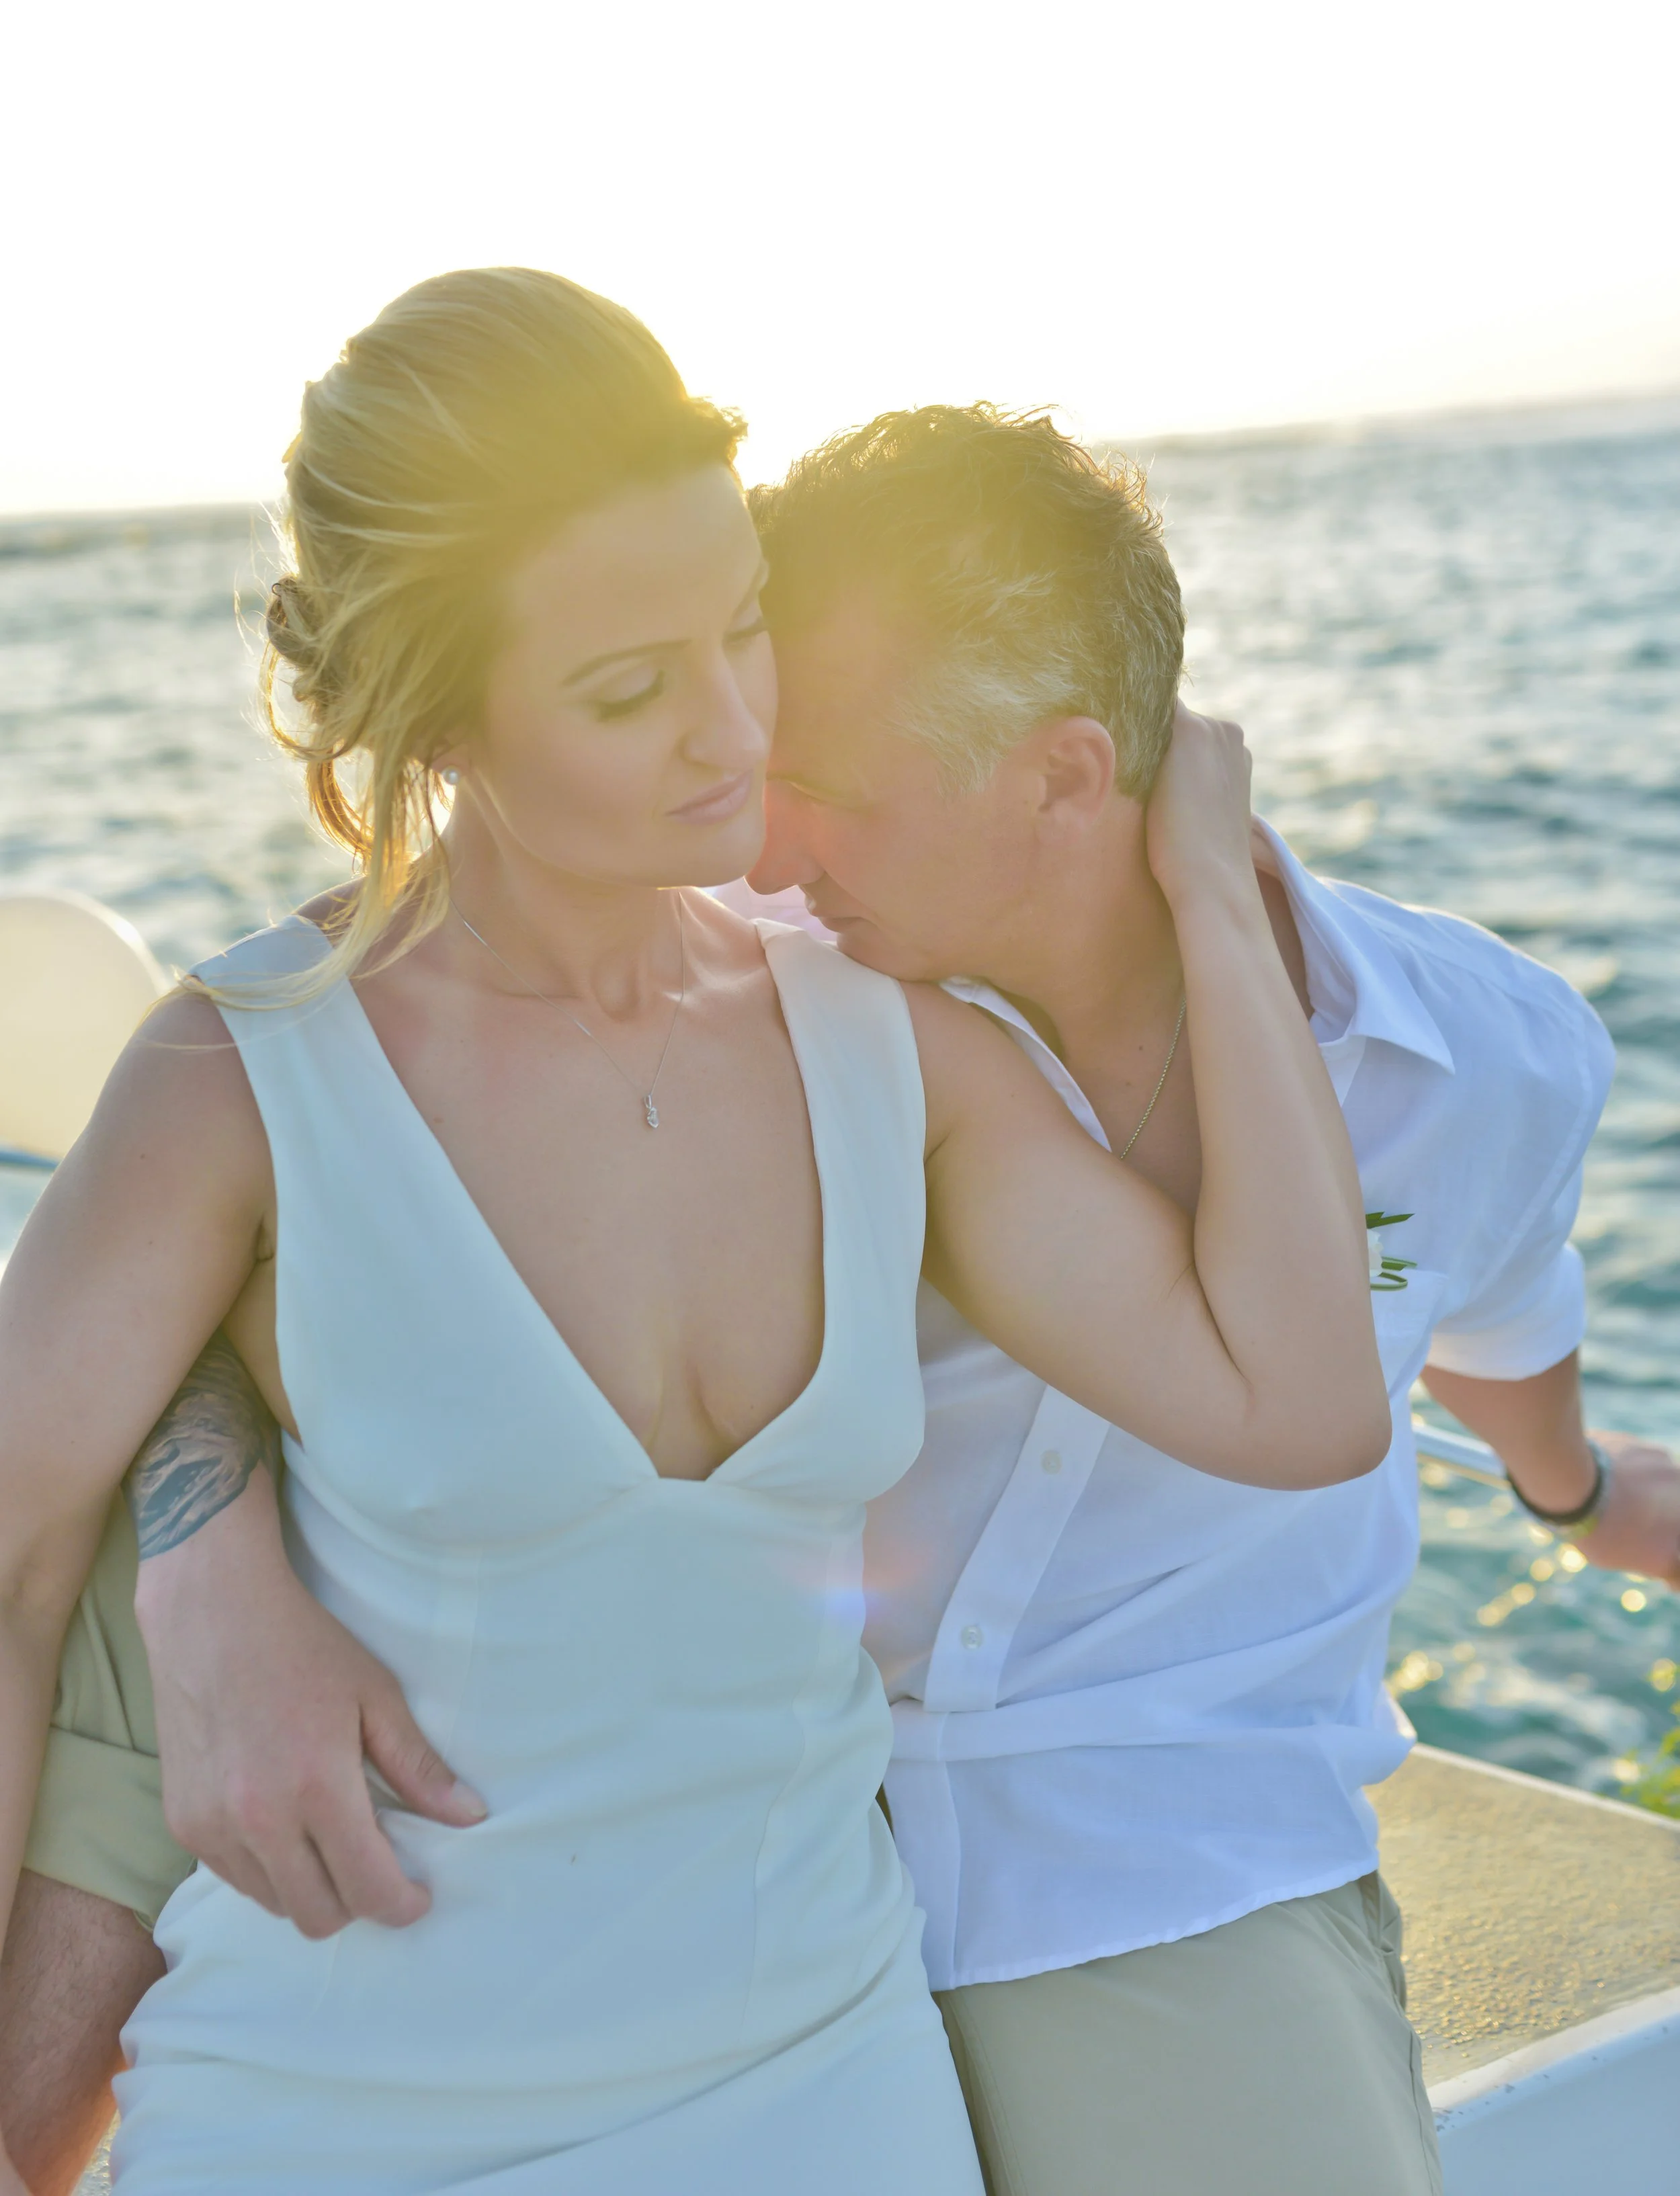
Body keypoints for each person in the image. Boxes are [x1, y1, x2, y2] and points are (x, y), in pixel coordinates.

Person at [0, 283, 1388, 2196]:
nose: (733, 730)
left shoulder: (882, 1050)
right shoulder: (242, 1075)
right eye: (628, 686)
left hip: (816, 2080)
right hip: (337, 2110)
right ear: (436, 709)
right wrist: (199, 1565)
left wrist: (1214, 896)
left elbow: (1297, 1394)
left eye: (742, 625)